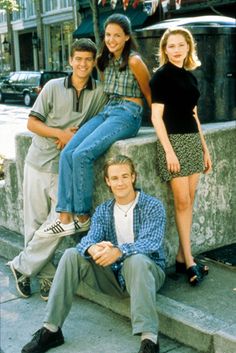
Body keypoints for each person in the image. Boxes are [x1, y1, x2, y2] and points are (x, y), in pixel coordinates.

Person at [21, 155, 166, 353]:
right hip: (112, 276)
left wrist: (118, 252)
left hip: (146, 274)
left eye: (125, 176)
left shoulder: (152, 206)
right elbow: (88, 239)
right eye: (114, 178)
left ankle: (149, 339)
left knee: (137, 260)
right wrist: (93, 248)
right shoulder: (104, 211)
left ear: (133, 177)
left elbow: (150, 242)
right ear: (108, 181)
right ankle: (51, 329)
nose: (120, 182)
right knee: (72, 255)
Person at [8, 38, 108, 301]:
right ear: (70, 61)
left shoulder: (99, 92)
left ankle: (21, 265)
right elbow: (32, 123)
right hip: (38, 161)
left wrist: (77, 137)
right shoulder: (53, 87)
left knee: (60, 224)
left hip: (66, 167)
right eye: (78, 59)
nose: (83, 64)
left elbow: (99, 121)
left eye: (88, 59)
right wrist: (61, 134)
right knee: (35, 222)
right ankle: (46, 276)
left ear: (94, 61)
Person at [35, 13, 151, 238]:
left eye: (117, 35)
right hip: (107, 111)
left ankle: (83, 217)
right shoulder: (103, 61)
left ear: (127, 37)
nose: (111, 39)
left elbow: (149, 95)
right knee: (69, 152)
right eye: (108, 35)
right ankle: (65, 218)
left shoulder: (135, 61)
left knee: (83, 154)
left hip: (128, 113)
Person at [149, 27, 212, 286]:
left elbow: (194, 116)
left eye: (180, 45)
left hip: (192, 142)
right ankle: (189, 261)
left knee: (190, 200)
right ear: (165, 49)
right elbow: (156, 117)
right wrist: (169, 151)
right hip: (172, 143)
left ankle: (181, 256)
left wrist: (204, 149)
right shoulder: (161, 77)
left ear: (188, 48)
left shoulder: (191, 78)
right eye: (171, 46)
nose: (176, 50)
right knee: (182, 202)